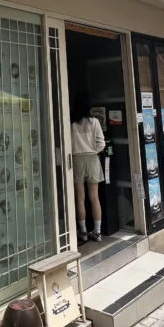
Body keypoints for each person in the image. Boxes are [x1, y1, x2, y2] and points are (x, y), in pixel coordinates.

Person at [70, 92, 106, 244]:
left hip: (76, 159)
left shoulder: (71, 123)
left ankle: (83, 232)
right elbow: (101, 143)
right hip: (92, 160)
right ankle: (97, 232)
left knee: (80, 197)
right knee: (94, 197)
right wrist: (93, 151)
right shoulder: (95, 122)